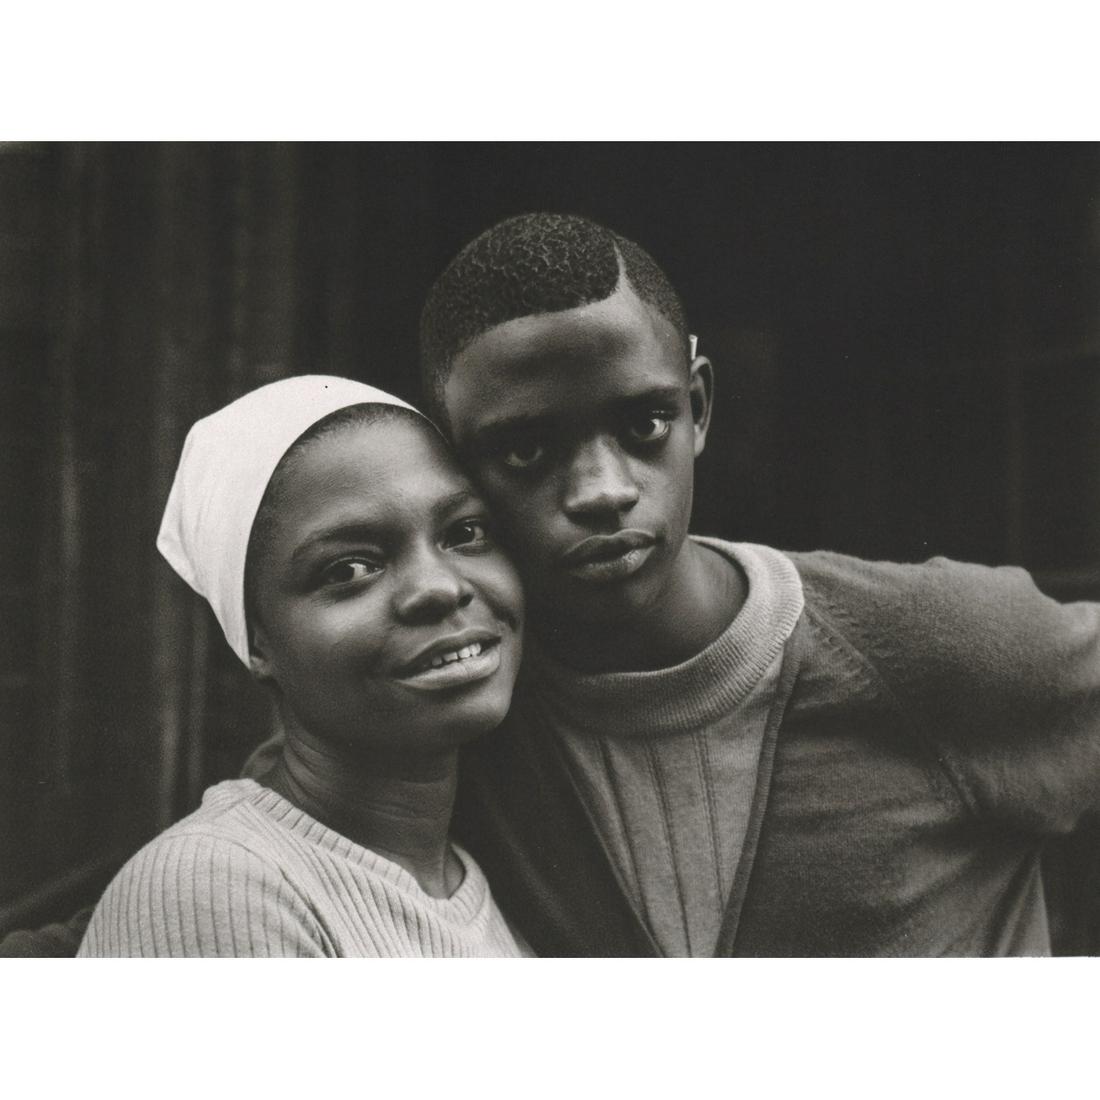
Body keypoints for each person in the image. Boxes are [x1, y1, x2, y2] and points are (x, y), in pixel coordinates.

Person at [405, 212, 1100, 957]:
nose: (602, 490)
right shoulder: (453, 727)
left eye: (644, 423)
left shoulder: (942, 645)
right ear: (452, 471)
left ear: (697, 408)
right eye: (525, 449)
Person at [78, 375, 529, 957]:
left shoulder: (479, 882)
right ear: (256, 642)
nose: (439, 588)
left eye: (464, 532)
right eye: (348, 569)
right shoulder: (218, 887)